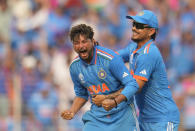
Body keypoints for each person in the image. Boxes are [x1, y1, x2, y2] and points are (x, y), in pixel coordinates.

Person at [92, 10, 180, 131]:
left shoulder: (149, 54)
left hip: (162, 119)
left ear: (151, 31)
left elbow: (135, 87)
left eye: (139, 26)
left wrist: (112, 100)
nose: (134, 28)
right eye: (133, 24)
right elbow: (113, 59)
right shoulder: (133, 47)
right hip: (146, 119)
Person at [60, 24, 140, 131]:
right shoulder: (74, 67)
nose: (81, 46)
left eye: (84, 42)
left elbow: (132, 85)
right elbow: (81, 95)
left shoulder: (110, 59)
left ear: (92, 41)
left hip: (122, 115)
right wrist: (72, 111)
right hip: (97, 118)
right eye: (76, 43)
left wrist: (112, 100)